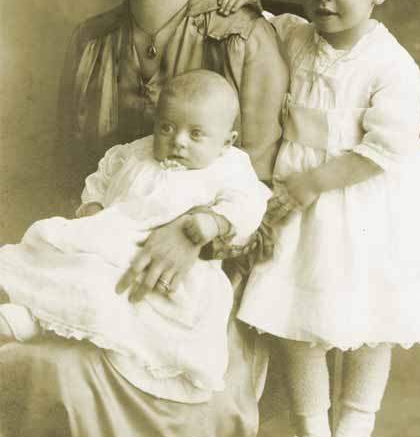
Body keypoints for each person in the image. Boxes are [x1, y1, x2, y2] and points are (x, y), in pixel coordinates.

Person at [0, 0, 288, 437]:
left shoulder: (244, 38)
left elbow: (267, 200)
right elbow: (70, 180)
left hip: (204, 296)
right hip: (94, 271)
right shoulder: (92, 42)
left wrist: (192, 237)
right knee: (31, 365)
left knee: (155, 397)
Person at [224, 0, 420, 437]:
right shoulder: (295, 36)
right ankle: (310, 429)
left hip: (361, 197)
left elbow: (384, 149)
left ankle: (355, 428)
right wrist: (241, 1)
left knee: (367, 323)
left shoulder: (391, 65)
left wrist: (312, 183)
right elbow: (259, 19)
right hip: (301, 196)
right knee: (299, 322)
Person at [0, 71, 271, 403]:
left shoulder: (229, 166)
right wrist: (93, 204)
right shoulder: (136, 151)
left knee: (105, 287)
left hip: (165, 262)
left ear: (226, 142)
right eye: (167, 127)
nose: (178, 141)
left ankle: (41, 321)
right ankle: (35, 309)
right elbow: (104, 174)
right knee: (53, 243)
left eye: (196, 134)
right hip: (108, 237)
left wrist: (214, 222)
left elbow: (250, 202)